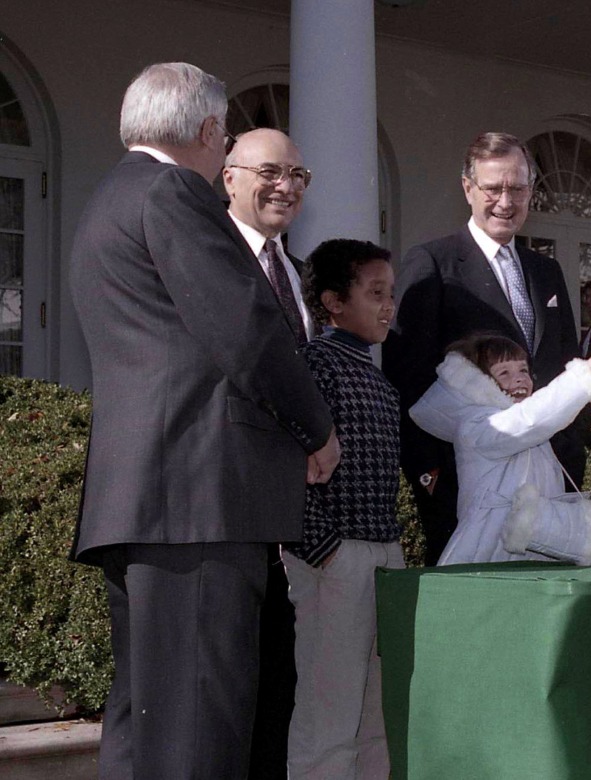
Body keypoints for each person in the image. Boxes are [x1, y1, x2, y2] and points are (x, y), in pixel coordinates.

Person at [68, 62, 338, 779]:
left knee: (145, 729)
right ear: (210, 129)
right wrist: (316, 429)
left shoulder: (109, 199)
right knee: (198, 730)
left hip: (145, 501)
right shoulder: (173, 193)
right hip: (198, 499)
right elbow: (247, 330)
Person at [382, 132, 583, 565]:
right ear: (468, 189)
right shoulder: (433, 262)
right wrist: (429, 474)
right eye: (493, 189)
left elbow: (564, 361)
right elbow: (407, 374)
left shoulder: (546, 270)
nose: (505, 202)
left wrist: (570, 450)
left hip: (547, 479)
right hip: (468, 482)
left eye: (518, 188)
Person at [283, 238, 405, 779]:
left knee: (379, 711)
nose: (388, 305)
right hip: (334, 560)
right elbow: (289, 461)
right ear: (333, 302)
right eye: (375, 293)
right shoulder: (313, 364)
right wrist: (322, 549)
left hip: (384, 552)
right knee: (329, 711)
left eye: (391, 293)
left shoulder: (378, 379)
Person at [223, 126, 314, 780]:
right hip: (224, 508)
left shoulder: (299, 273)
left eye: (298, 176)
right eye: (270, 172)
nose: (285, 186)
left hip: (293, 517)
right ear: (229, 176)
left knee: (279, 685)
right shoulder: (210, 258)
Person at [409, 334, 591, 566]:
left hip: (536, 555)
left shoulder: (531, 430)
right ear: (480, 383)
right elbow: (531, 420)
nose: (519, 380)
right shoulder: (478, 425)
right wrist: (590, 367)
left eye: (523, 371)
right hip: (486, 554)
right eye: (504, 373)